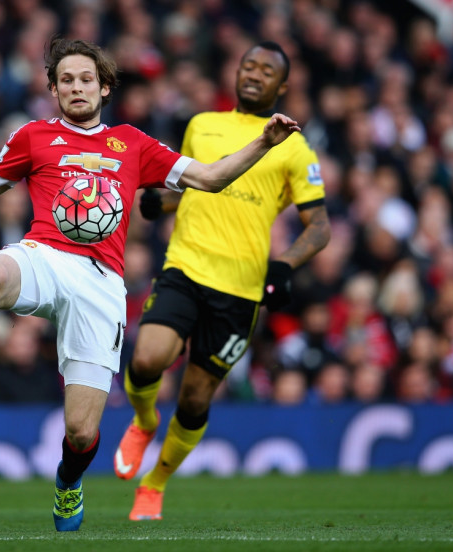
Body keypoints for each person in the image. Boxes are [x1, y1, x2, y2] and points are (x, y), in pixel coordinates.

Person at [0, 37, 300, 532]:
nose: (77, 87)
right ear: (53, 89)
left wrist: (264, 142)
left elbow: (210, 177)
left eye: (86, 79)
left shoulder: (134, 144)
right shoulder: (33, 136)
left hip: (102, 284)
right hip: (45, 255)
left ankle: (69, 481)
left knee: (80, 431)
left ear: (105, 88)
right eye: (67, 80)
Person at [114, 41, 331, 521]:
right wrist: (162, 202)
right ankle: (145, 420)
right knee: (147, 357)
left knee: (194, 398)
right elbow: (193, 186)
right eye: (248, 64)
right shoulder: (202, 124)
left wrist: (284, 266)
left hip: (240, 290)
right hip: (186, 267)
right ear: (236, 72)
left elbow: (320, 227)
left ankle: (155, 484)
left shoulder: (293, 145)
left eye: (267, 69)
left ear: (283, 85)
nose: (254, 73)